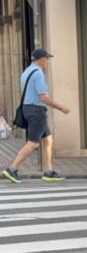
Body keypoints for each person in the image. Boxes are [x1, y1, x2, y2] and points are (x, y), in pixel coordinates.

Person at [2, 48, 70, 184]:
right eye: (47, 59)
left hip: (28, 109)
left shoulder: (26, 72)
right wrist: (61, 107)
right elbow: (43, 97)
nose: (48, 62)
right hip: (37, 111)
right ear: (41, 59)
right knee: (32, 143)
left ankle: (48, 171)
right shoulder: (38, 73)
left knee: (48, 139)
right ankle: (12, 168)